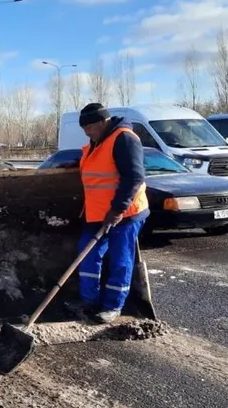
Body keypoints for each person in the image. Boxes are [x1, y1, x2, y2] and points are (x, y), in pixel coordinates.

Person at [69, 102, 149, 324]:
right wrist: (73, 165)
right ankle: (89, 299)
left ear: (104, 121)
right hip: (97, 214)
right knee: (87, 254)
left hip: (124, 214)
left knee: (120, 259)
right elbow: (98, 166)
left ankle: (113, 306)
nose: (87, 131)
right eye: (84, 128)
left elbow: (134, 177)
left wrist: (117, 210)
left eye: (91, 127)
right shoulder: (97, 142)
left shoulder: (124, 139)